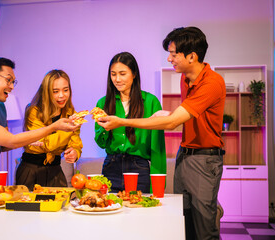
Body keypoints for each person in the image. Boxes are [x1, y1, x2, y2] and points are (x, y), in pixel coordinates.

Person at [97, 27, 226, 240]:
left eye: (174, 53)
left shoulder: (211, 82)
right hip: (185, 155)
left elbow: (173, 123)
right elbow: (186, 115)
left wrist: (121, 121)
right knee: (184, 220)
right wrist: (168, 114)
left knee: (204, 226)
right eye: (113, 74)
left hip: (204, 159)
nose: (169, 58)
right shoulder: (186, 79)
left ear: (192, 56)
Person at [0, 58, 79, 194]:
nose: (12, 87)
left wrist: (31, 140)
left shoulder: (0, 106)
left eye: (13, 82)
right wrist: (53, 128)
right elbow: (10, 141)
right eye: (8, 80)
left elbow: (3, 146)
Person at [94, 52, 166, 193]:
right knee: (110, 210)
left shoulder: (151, 102)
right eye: (113, 74)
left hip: (139, 168)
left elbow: (157, 148)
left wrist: (157, 186)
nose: (117, 79)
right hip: (111, 167)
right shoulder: (103, 103)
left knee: (139, 212)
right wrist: (105, 128)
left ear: (134, 74)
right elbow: (101, 143)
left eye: (122, 74)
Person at [15, 70, 83, 190]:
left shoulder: (71, 113)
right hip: (31, 170)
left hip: (56, 170)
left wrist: (75, 152)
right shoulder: (34, 111)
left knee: (62, 207)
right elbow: (46, 144)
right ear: (46, 92)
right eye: (55, 91)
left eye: (65, 90)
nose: (62, 95)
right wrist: (69, 129)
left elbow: (75, 142)